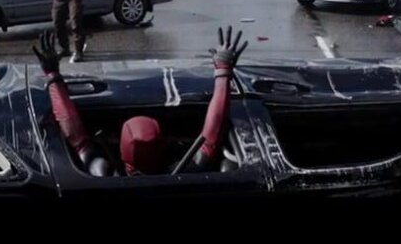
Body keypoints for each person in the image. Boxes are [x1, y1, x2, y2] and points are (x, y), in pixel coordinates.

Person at [31, 25, 248, 176]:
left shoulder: (103, 172)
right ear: (162, 145)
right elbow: (211, 135)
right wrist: (223, 71)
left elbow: (75, 134)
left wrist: (52, 76)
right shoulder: (185, 171)